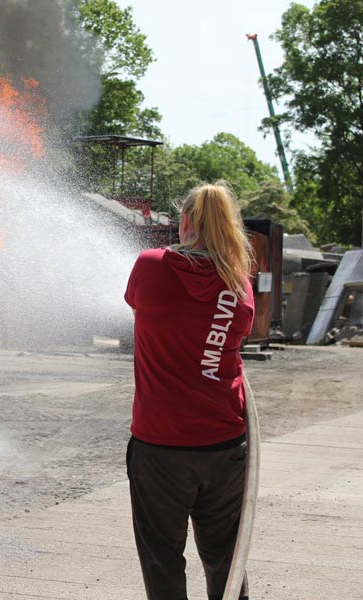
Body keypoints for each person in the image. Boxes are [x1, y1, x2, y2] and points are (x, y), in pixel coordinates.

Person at [124, 182, 255, 600]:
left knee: (162, 558)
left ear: (185, 222)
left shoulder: (151, 266)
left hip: (160, 445)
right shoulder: (239, 286)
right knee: (227, 560)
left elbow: (136, 302)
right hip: (225, 444)